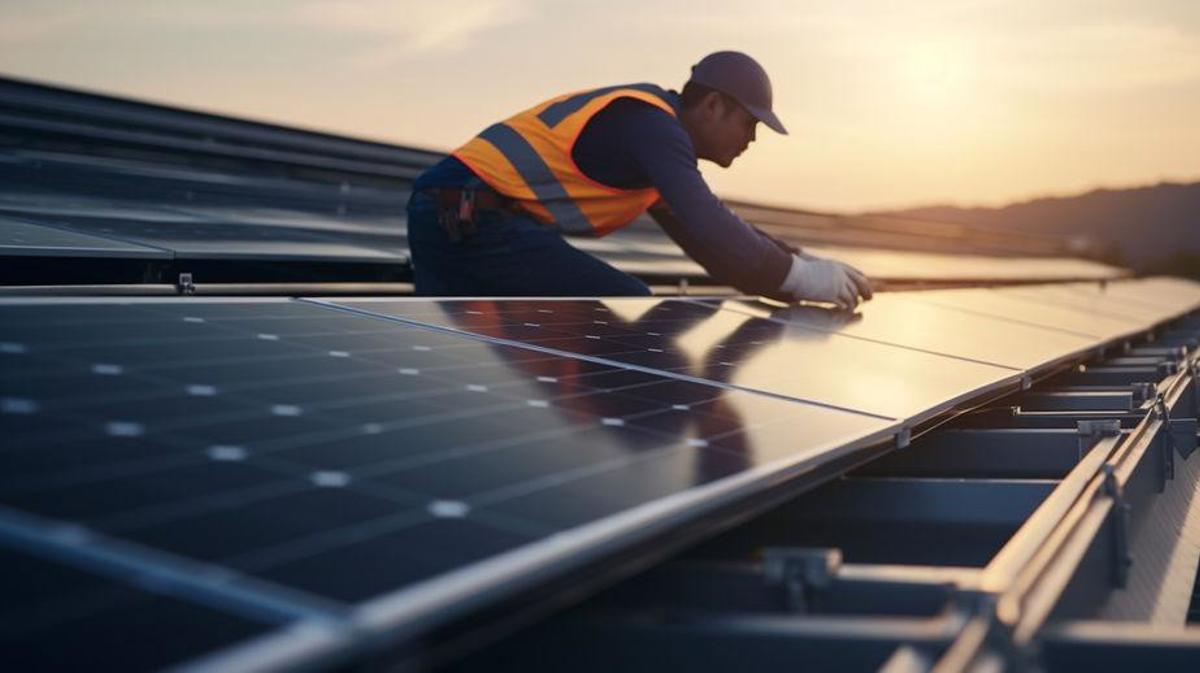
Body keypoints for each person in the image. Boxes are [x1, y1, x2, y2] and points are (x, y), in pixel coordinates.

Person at [407, 51, 873, 309]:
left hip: (457, 215)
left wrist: (799, 268)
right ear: (713, 105)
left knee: (454, 352)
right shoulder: (652, 125)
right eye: (749, 123)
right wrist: (800, 276)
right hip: (463, 213)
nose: (751, 138)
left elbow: (716, 249)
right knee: (625, 303)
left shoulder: (655, 154)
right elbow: (710, 222)